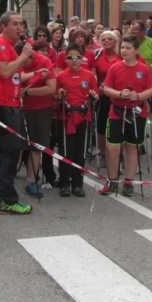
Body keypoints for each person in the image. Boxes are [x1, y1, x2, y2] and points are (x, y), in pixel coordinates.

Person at [0, 11, 34, 215]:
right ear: (3, 26)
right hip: (2, 105)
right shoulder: (1, 45)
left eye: (21, 23)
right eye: (15, 24)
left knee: (0, 153)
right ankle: (8, 199)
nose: (19, 27)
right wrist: (23, 56)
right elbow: (5, 71)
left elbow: (12, 75)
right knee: (10, 153)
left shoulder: (8, 46)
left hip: (8, 102)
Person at [101, 34, 152, 197]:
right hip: (117, 112)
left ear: (136, 50)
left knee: (132, 147)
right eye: (122, 47)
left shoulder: (143, 69)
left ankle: (128, 182)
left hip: (137, 112)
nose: (124, 50)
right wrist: (119, 94)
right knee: (112, 148)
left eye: (128, 48)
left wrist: (137, 96)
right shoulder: (114, 67)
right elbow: (106, 88)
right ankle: (112, 181)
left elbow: (150, 89)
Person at [55, 43, 99, 197]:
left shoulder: (89, 75)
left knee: (80, 151)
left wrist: (94, 96)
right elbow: (55, 97)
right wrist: (59, 96)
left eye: (77, 57)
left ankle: (78, 184)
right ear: (65, 59)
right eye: (70, 58)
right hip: (66, 118)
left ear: (82, 58)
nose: (74, 60)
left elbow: (96, 95)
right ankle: (64, 183)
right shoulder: (60, 76)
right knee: (66, 151)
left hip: (83, 117)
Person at [18, 39, 56, 197]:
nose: (22, 63)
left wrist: (27, 92)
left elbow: (51, 88)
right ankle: (8, 178)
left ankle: (31, 180)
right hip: (18, 107)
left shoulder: (44, 61)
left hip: (40, 108)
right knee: (16, 145)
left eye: (25, 60)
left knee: (37, 145)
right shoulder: (17, 61)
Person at [130, 19, 152, 157]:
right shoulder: (129, 43)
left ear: (143, 31)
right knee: (136, 111)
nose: (132, 34)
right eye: (131, 31)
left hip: (150, 77)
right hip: (134, 79)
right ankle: (139, 143)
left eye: (135, 31)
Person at [94, 30, 121, 169]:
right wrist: (96, 87)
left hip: (118, 93)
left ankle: (118, 153)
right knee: (101, 124)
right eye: (103, 39)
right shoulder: (97, 55)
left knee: (118, 124)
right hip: (102, 94)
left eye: (109, 39)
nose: (106, 41)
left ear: (115, 41)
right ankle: (103, 153)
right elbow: (93, 74)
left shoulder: (120, 55)